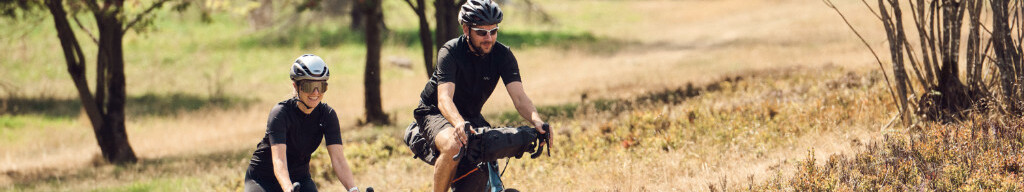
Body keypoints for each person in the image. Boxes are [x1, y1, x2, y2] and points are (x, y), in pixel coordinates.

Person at [411, 0, 552, 191]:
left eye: (493, 31)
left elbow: (520, 98)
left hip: (471, 116)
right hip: (434, 113)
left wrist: (537, 121)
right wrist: (459, 123)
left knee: (480, 166)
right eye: (481, 32)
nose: (489, 38)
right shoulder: (450, 52)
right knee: (454, 145)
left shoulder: (503, 55)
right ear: (466, 29)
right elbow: (444, 99)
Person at [244, 54, 361, 192]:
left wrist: (353, 189)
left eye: (321, 86)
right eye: (309, 86)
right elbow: (279, 161)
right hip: (263, 180)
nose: (316, 92)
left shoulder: (327, 115)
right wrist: (288, 188)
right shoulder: (280, 114)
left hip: (300, 179)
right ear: (296, 86)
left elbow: (339, 160)